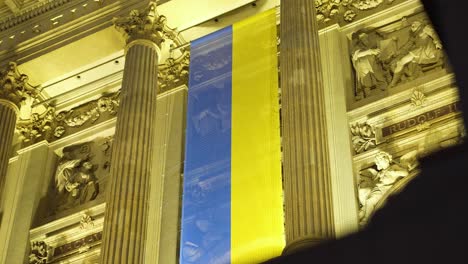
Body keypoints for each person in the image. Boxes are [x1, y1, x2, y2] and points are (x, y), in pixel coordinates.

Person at [388, 20, 443, 88]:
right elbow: (407, 46)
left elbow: (434, 34)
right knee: (400, 62)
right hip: (418, 52)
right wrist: (396, 53)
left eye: (415, 23)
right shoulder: (414, 36)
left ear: (420, 24)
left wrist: (437, 43)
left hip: (426, 50)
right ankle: (396, 81)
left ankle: (393, 83)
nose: (412, 24)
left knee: (401, 62)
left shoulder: (425, 28)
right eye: (412, 24)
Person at [351, 31, 387, 99]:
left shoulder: (368, 46)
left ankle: (383, 88)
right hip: (363, 65)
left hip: (372, 65)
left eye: (366, 38)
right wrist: (370, 51)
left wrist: (376, 54)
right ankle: (367, 94)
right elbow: (355, 55)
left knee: (378, 76)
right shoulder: (357, 47)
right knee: (366, 80)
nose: (365, 40)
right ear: (359, 40)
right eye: (363, 38)